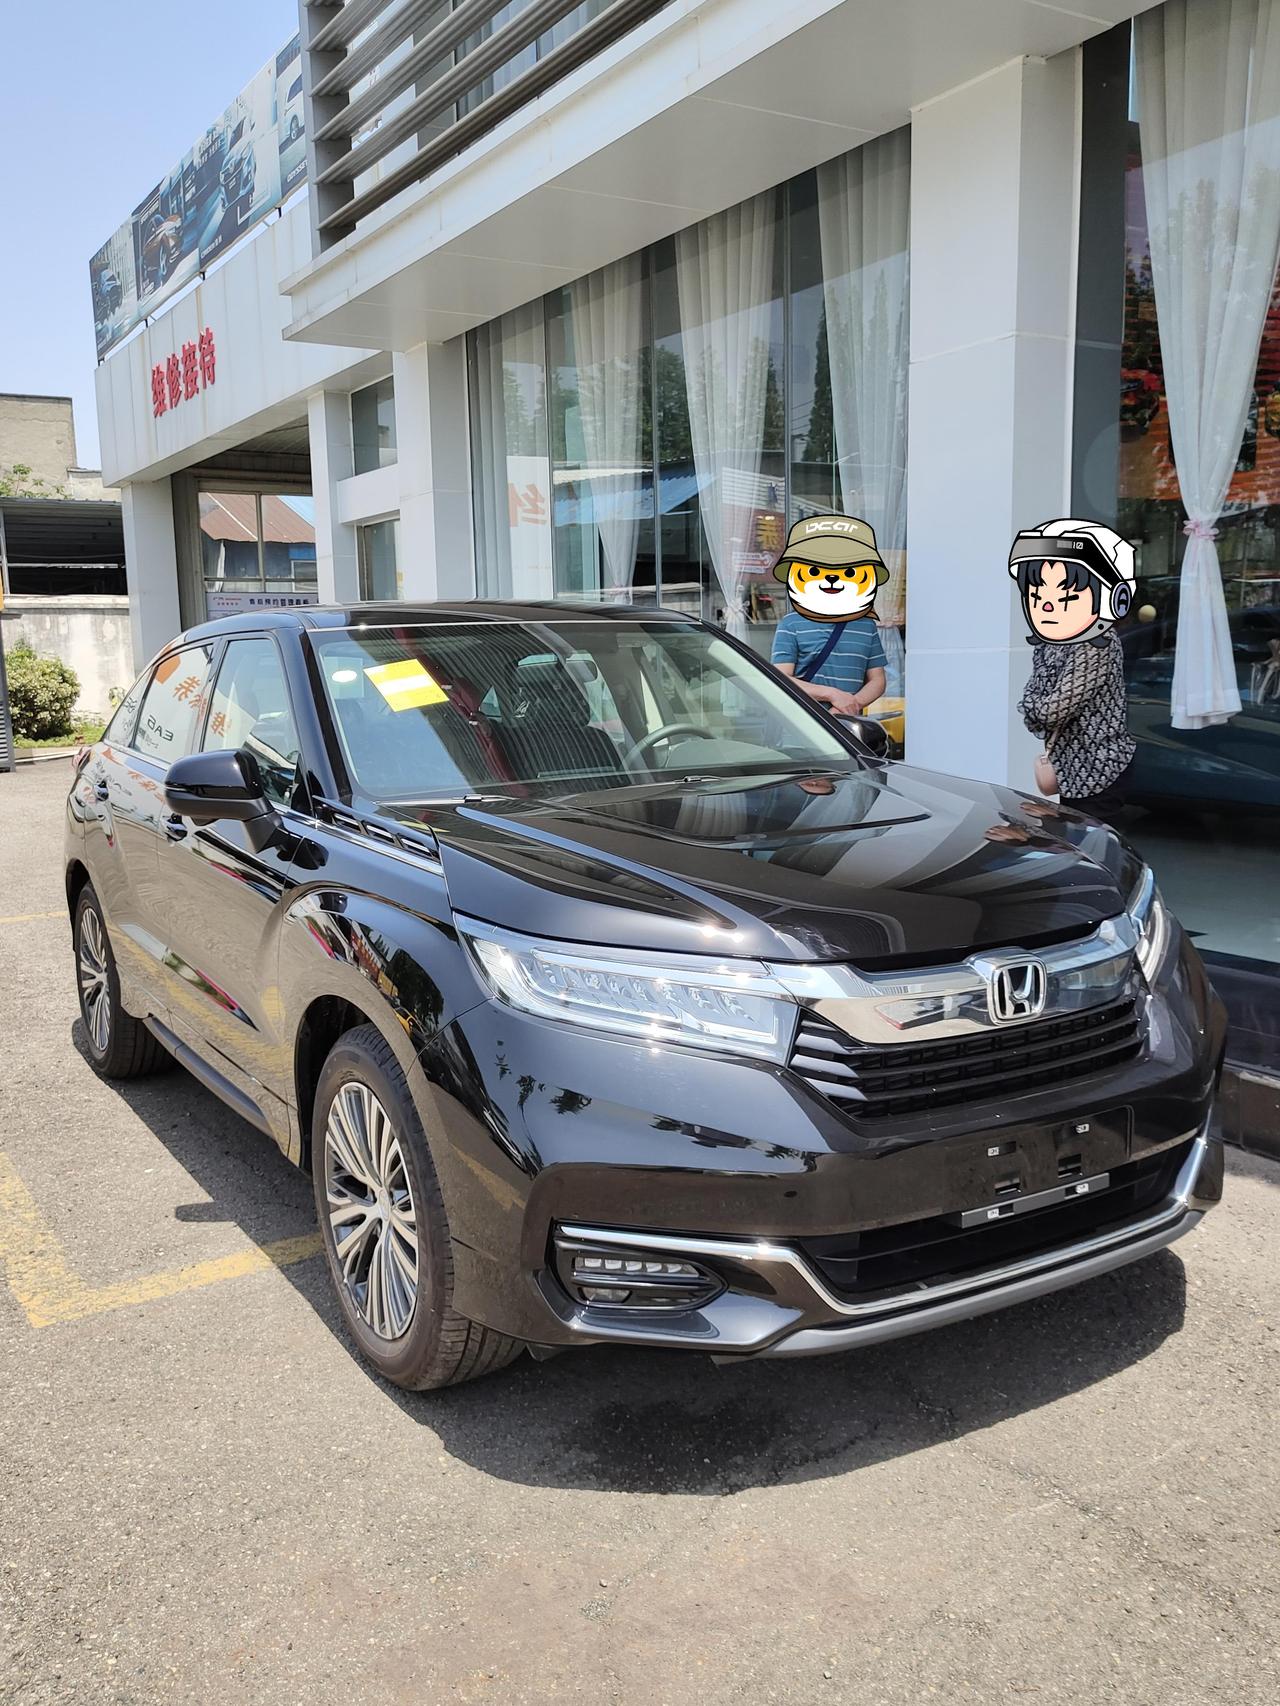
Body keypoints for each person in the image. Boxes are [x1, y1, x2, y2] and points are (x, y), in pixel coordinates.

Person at [1008, 518, 1137, 823]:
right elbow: (1034, 699)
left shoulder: (1097, 645)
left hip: (1100, 770)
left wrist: (1036, 707)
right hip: (1069, 770)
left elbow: (1051, 710)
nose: (1048, 608)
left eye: (1066, 598)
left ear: (1111, 600)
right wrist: (1037, 707)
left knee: (1094, 846)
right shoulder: (1051, 643)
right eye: (1037, 598)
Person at [769, 513, 888, 717]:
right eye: (815, 571)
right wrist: (832, 695)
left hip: (849, 724)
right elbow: (781, 678)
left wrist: (849, 705)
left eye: (848, 572)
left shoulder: (866, 625)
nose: (832, 578)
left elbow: (878, 680)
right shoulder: (791, 624)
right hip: (803, 723)